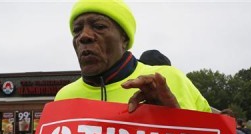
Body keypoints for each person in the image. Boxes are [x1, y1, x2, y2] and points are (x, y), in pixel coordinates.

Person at [54, 0, 211, 113]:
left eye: (99, 26)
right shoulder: (63, 97)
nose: (84, 36)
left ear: (124, 39)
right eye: (77, 30)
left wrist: (172, 117)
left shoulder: (167, 79)